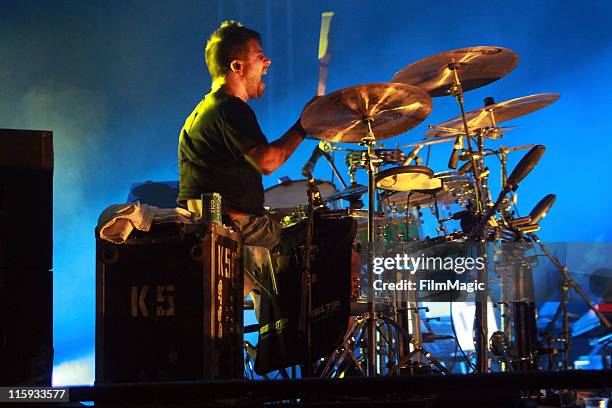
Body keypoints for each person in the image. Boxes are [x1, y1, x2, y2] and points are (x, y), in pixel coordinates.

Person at [177, 21, 309, 300]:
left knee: (288, 227)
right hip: (234, 232)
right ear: (237, 67)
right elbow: (268, 161)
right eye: (259, 55)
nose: (267, 61)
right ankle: (295, 337)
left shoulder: (201, 112)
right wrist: (305, 125)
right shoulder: (230, 109)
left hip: (215, 229)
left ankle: (274, 328)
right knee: (318, 242)